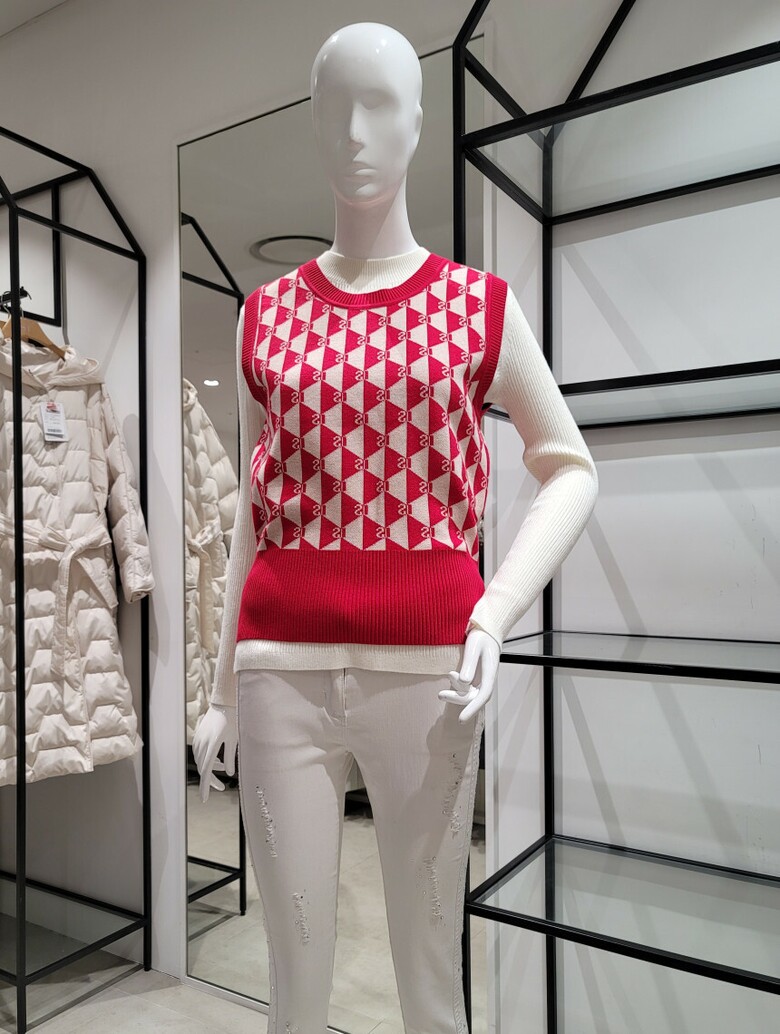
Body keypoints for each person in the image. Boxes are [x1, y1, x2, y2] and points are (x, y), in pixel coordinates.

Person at [193, 22, 598, 1034]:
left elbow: (569, 467)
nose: (354, 133)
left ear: (419, 122)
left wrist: (494, 613)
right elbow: (250, 507)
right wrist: (219, 688)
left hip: (429, 677)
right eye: (333, 109)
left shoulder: (477, 306)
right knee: (294, 984)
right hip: (278, 671)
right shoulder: (263, 314)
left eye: (378, 106)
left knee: (429, 981)